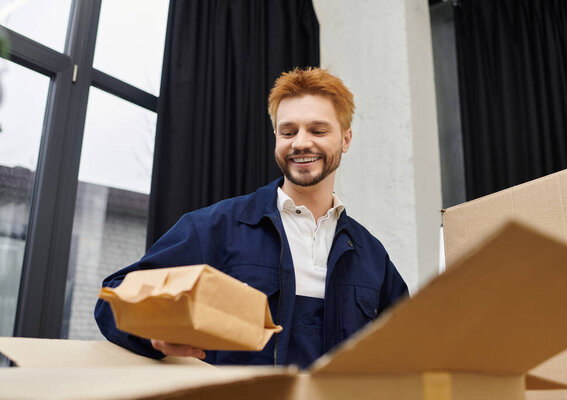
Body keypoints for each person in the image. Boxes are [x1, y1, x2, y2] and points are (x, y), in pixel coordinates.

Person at [95, 67, 409, 368]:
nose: (300, 142)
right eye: (288, 131)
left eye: (317, 130)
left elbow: (407, 348)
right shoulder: (216, 227)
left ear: (345, 139)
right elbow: (113, 298)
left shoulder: (373, 257)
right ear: (276, 137)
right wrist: (152, 332)